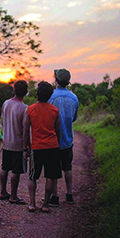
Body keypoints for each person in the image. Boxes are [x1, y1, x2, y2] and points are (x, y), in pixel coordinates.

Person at [24, 81, 62, 212]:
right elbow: (58, 131)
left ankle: (32, 203)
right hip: (52, 147)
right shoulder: (55, 110)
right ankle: (45, 205)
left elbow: (25, 131)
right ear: (50, 95)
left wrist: (26, 148)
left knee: (32, 176)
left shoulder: (30, 109)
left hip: (37, 148)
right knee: (50, 176)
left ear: (36, 94)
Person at [48, 68, 79, 206]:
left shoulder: (51, 97)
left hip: (53, 140)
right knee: (67, 167)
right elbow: (74, 118)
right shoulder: (74, 98)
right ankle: (69, 194)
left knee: (54, 169)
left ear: (56, 80)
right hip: (67, 140)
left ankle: (54, 197)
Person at [0, 80, 28, 205]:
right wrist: (26, 148)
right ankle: (14, 196)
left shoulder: (5, 103)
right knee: (16, 170)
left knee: (5, 167)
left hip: (6, 142)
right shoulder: (24, 108)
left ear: (14, 90)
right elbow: (25, 129)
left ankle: (3, 192)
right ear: (26, 92)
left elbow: (3, 121)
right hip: (18, 144)